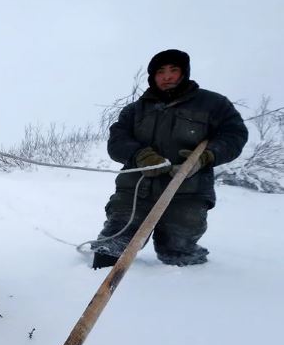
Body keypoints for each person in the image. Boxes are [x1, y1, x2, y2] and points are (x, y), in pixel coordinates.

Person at [91, 49, 248, 268]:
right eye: (161, 72)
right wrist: (140, 155)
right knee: (109, 253)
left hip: (188, 193)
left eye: (174, 70)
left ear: (184, 73)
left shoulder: (213, 104)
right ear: (152, 77)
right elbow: (116, 142)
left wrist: (206, 156)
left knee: (177, 256)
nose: (167, 76)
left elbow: (235, 135)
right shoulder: (134, 110)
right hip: (136, 191)